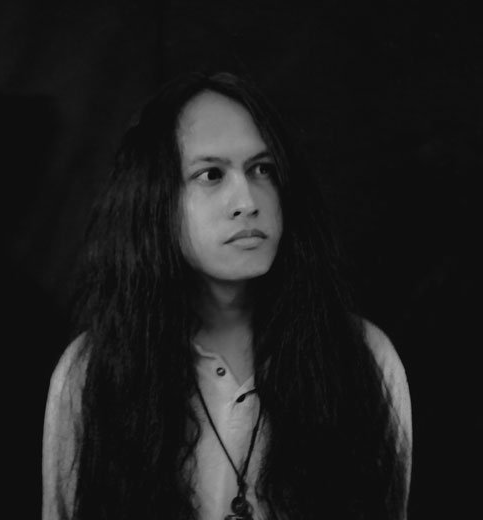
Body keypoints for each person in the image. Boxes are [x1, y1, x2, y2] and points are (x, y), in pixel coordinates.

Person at [42, 72, 411, 520]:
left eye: (262, 169)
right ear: (154, 199)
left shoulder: (365, 358)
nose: (247, 201)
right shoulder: (91, 370)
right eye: (211, 174)